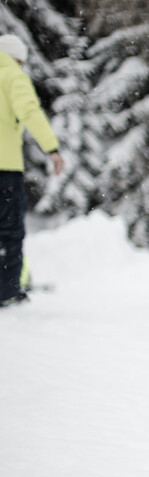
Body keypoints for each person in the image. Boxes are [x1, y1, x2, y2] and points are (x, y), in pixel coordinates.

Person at [0, 34, 64, 308]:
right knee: (9, 230)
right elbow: (30, 111)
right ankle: (6, 291)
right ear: (17, 58)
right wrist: (52, 148)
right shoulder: (12, 76)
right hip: (5, 169)